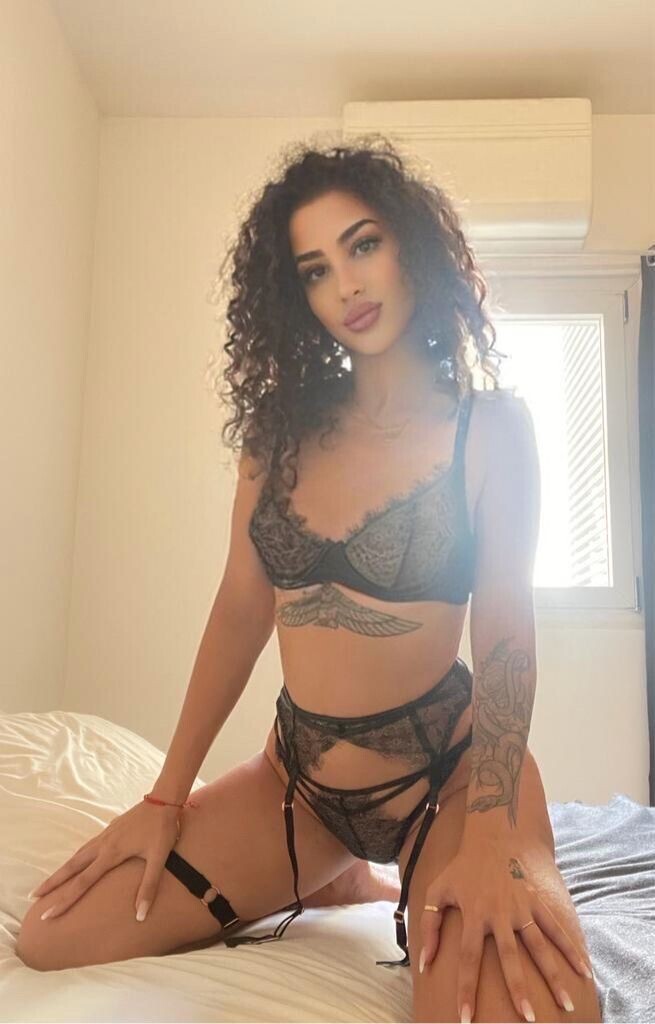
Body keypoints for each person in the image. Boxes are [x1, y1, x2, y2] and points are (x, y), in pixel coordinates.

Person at [17, 136, 601, 1023]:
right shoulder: (277, 435)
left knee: (518, 1014)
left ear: (411, 245)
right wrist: (165, 796)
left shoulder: (489, 429)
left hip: (452, 772)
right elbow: (238, 608)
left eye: (363, 244)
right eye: (315, 269)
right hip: (300, 780)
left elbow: (505, 632)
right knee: (53, 935)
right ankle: (339, 874)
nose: (346, 286)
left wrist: (492, 831)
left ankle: (406, 861)